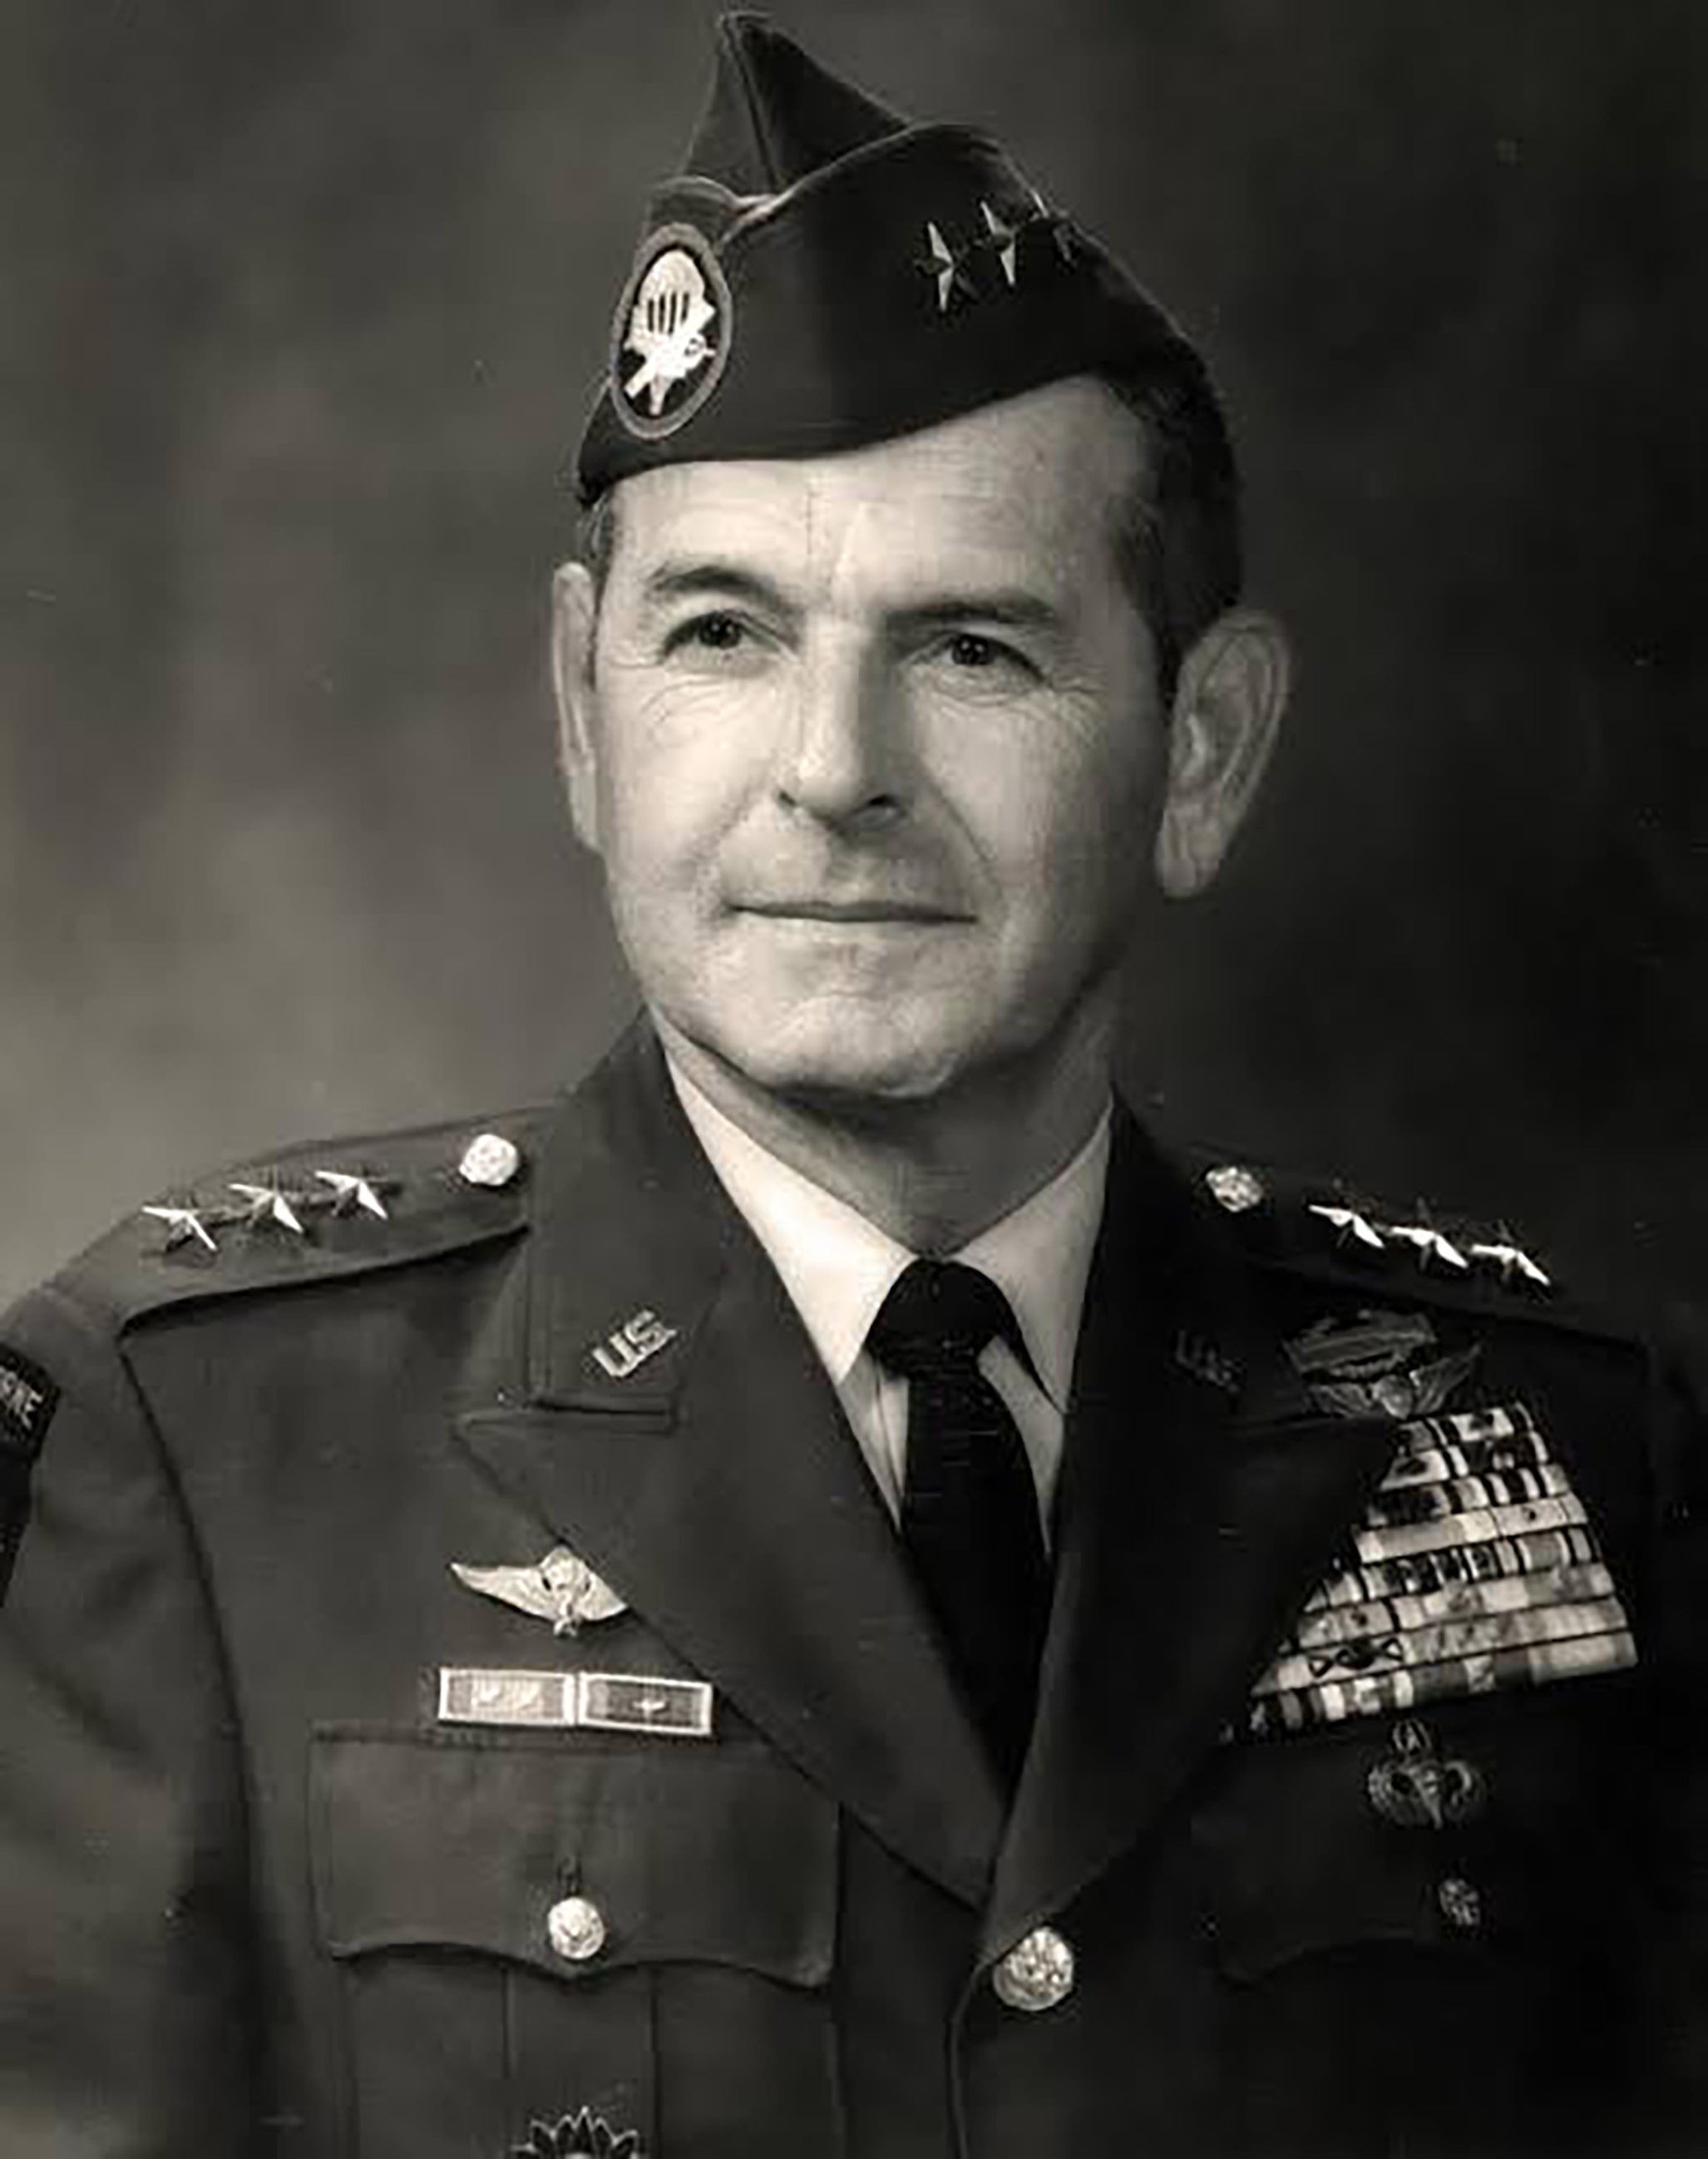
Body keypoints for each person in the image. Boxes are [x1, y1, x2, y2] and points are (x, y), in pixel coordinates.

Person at [0, 15, 1702, 2157]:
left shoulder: (1563, 1449)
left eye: (972, 647)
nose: (832, 772)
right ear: (582, 709)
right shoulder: (200, 1450)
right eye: (722, 635)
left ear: (1203, 751)